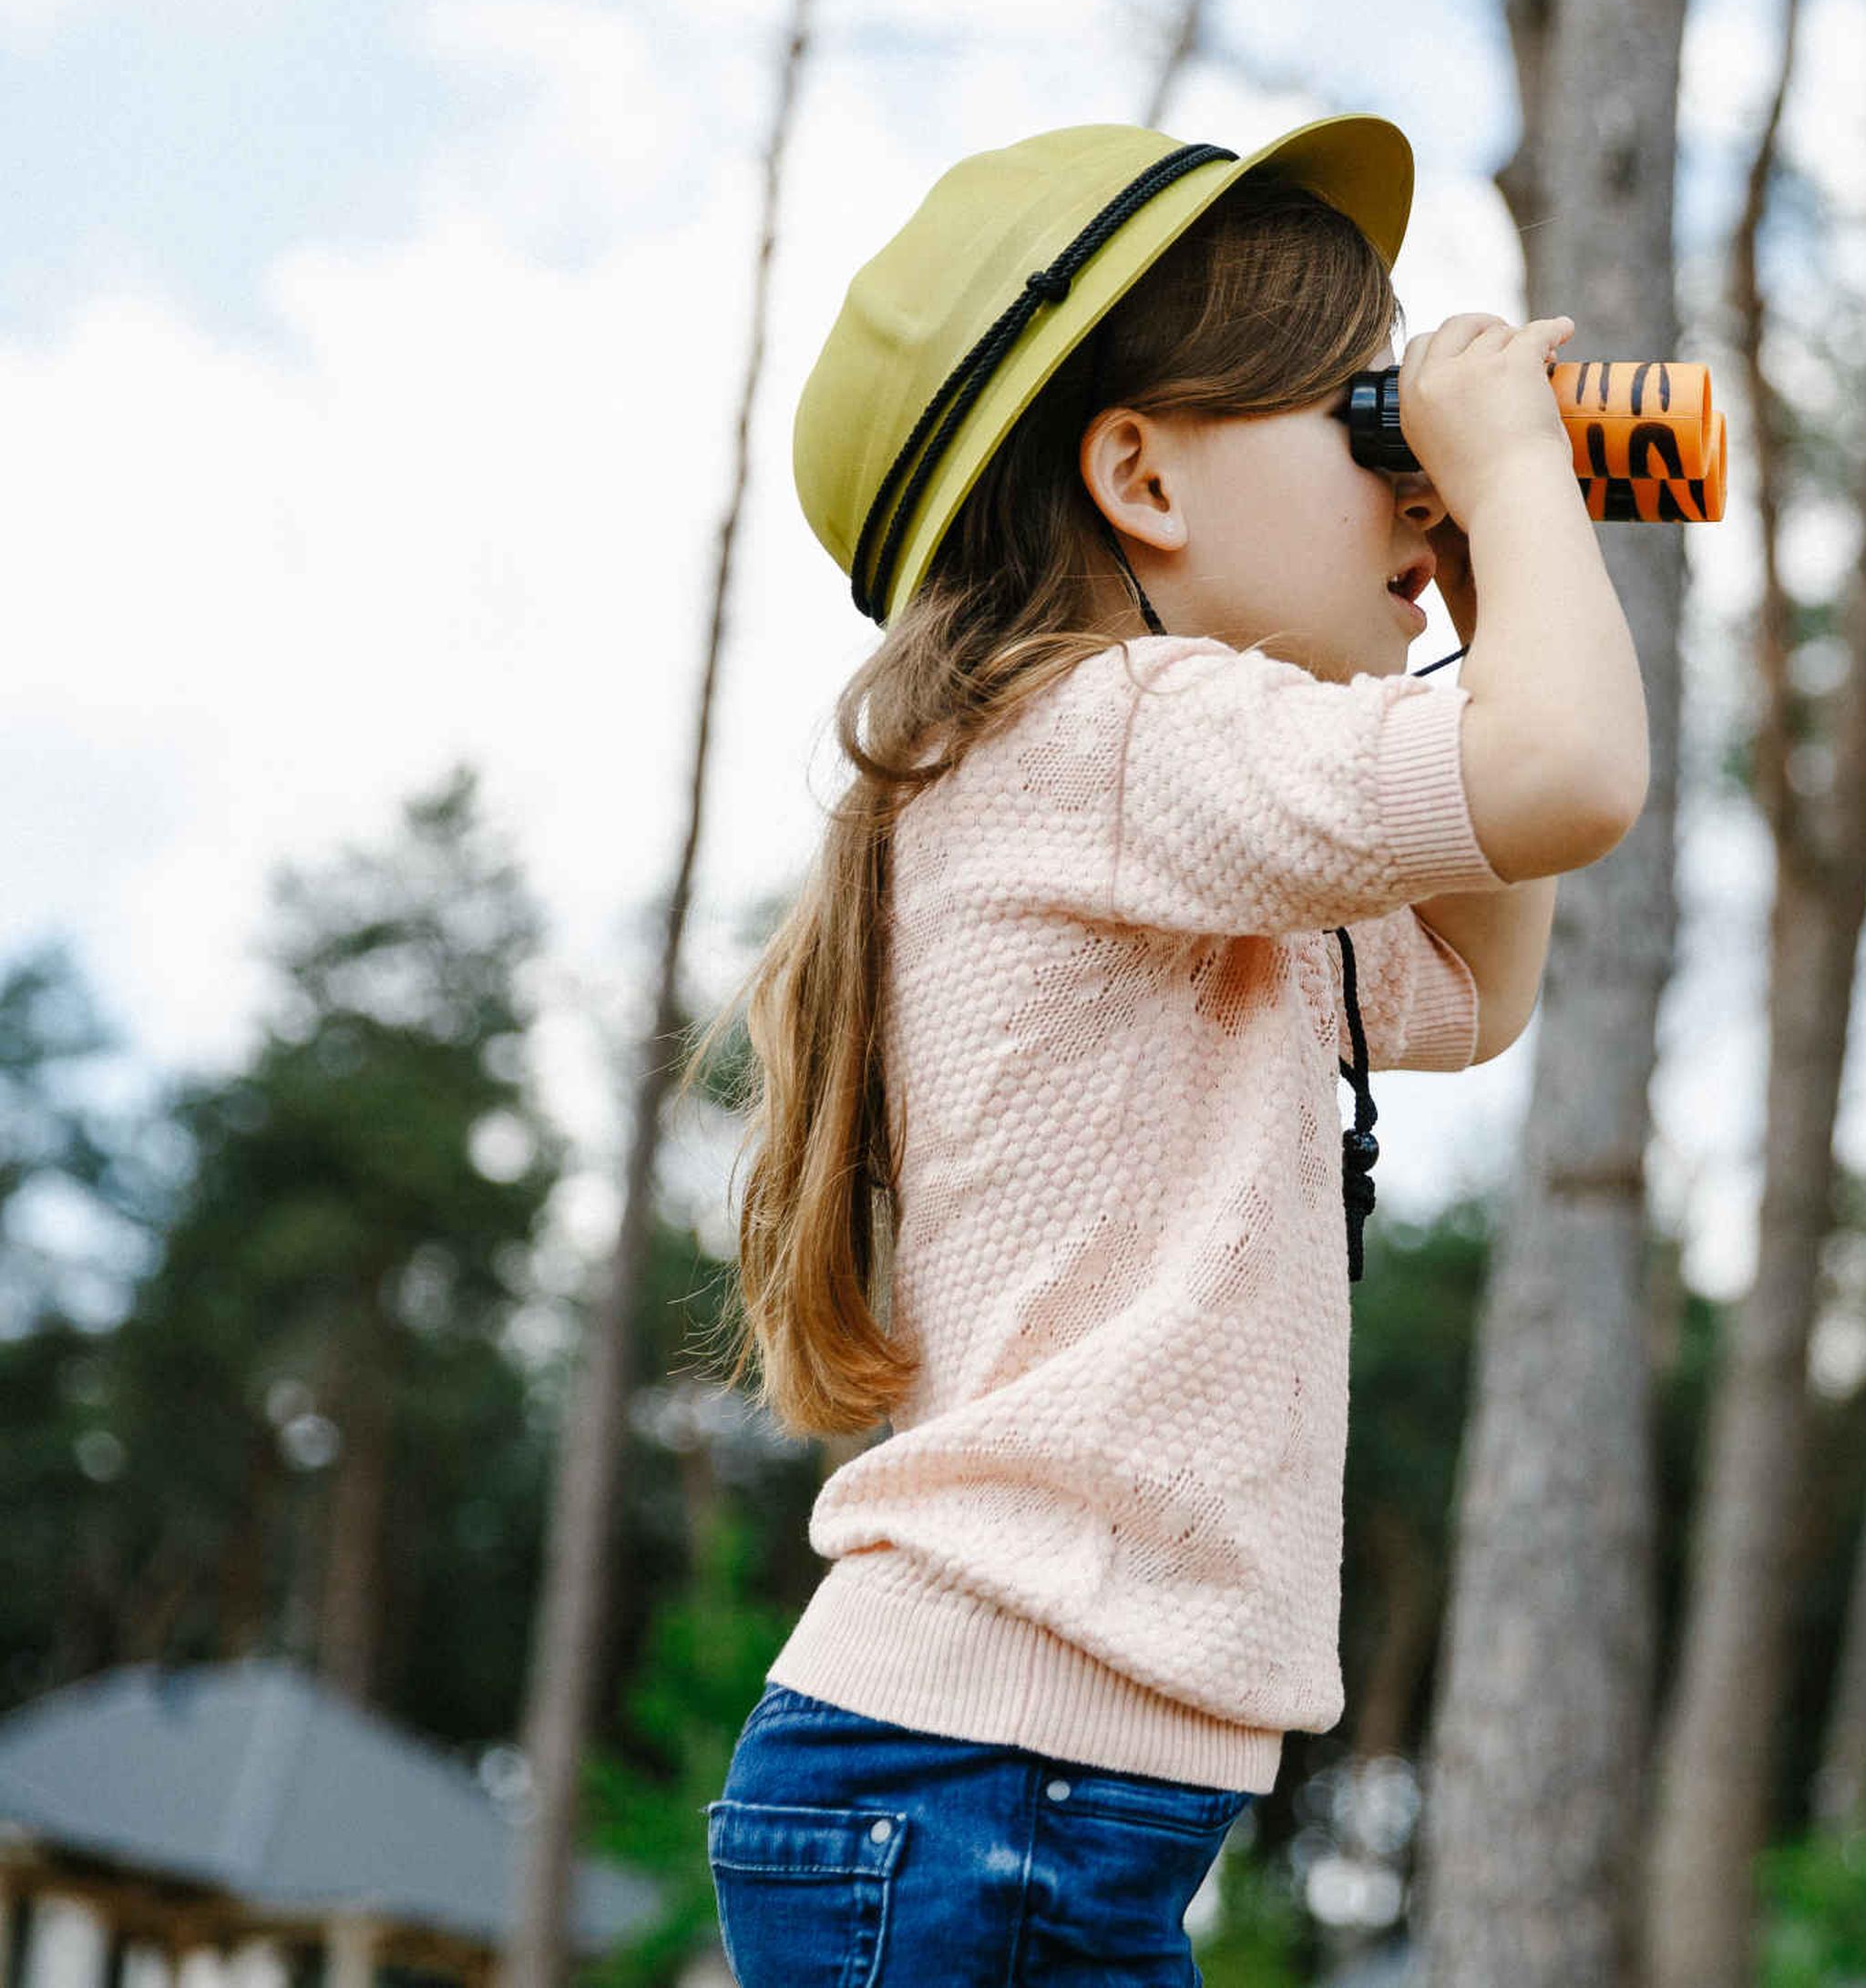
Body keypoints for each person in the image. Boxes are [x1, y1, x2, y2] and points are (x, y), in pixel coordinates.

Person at [702, 118, 1646, 1986]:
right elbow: (1572, 773)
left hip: (1012, 1790)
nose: (1415, 471)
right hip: (982, 1783)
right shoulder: (1106, 736)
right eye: (1363, 419)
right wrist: (1524, 485)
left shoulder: (1163, 795)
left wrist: (1487, 579)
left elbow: (1471, 978)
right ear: (1137, 475)